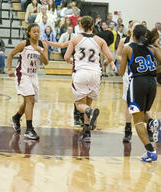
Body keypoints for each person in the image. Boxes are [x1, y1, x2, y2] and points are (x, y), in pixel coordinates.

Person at [64, 16, 115, 142]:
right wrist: (107, 63)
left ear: (80, 26)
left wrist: (72, 61)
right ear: (92, 26)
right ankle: (86, 133)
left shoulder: (75, 39)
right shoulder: (100, 40)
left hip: (81, 72)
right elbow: (110, 57)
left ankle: (89, 113)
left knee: (80, 105)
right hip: (95, 73)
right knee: (88, 103)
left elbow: (66, 57)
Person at [119, 24, 161, 162]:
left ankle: (150, 152)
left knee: (137, 121)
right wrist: (154, 71)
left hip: (137, 83)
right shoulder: (152, 49)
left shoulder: (127, 48)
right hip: (152, 83)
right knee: (143, 114)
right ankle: (152, 122)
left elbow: (121, 72)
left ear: (133, 35)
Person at [7, 23, 48, 140]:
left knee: (29, 102)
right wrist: (9, 69)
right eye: (34, 31)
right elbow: (10, 54)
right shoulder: (24, 44)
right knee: (29, 98)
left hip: (33, 76)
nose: (36, 33)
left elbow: (46, 62)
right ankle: (29, 129)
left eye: (38, 31)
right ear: (29, 33)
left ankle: (16, 117)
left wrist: (41, 51)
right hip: (23, 74)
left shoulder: (41, 45)